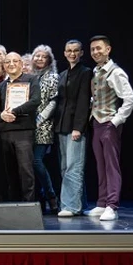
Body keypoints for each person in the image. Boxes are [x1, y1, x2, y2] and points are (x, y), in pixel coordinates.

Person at [85, 35, 133, 221]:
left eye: (99, 48)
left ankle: (112, 205)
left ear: (108, 49)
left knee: (111, 166)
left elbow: (130, 99)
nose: (95, 52)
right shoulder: (96, 71)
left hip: (109, 123)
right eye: (92, 49)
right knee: (101, 165)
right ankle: (102, 202)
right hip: (96, 123)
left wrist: (116, 121)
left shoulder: (116, 72)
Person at [54, 39, 92, 217]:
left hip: (75, 126)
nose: (72, 53)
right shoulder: (62, 74)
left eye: (76, 50)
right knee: (65, 167)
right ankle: (80, 204)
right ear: (64, 53)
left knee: (73, 166)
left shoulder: (85, 72)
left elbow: (84, 101)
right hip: (62, 125)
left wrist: (78, 127)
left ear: (81, 53)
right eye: (69, 50)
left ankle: (70, 206)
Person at [0, 52, 41, 202]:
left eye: (15, 61)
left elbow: (36, 101)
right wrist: (1, 115)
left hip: (24, 132)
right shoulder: (1, 86)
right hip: (5, 132)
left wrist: (15, 111)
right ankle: (14, 206)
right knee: (10, 172)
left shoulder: (31, 80)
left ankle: (29, 205)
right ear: (4, 66)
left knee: (26, 170)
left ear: (21, 64)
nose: (11, 64)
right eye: (7, 62)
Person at [30, 45, 60, 213]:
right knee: (30, 164)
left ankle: (51, 195)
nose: (39, 59)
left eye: (43, 56)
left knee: (37, 161)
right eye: (37, 56)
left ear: (49, 60)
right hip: (28, 126)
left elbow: (54, 101)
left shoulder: (53, 77)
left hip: (44, 125)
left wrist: (40, 118)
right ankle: (40, 199)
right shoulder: (31, 76)